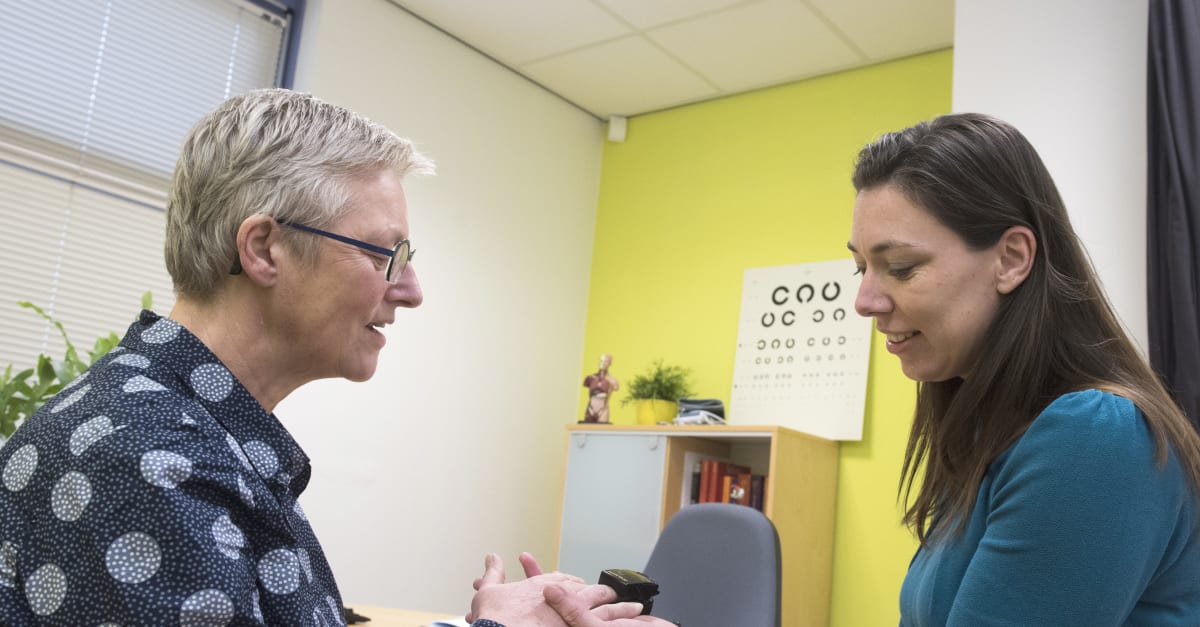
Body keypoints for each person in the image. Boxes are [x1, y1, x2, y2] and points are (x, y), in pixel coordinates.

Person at [0, 89, 666, 626]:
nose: (409, 290)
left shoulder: (175, 433)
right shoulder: (151, 464)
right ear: (263, 249)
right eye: (385, 254)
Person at [847, 113, 1200, 624]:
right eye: (861, 268)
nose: (865, 300)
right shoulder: (984, 436)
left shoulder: (1095, 438)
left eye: (900, 268)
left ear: (1011, 258)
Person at [582, 354, 619, 423]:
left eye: (606, 361)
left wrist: (608, 378)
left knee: (602, 430)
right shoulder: (590, 378)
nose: (603, 363)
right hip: (591, 408)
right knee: (587, 431)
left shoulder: (611, 380)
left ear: (610, 364)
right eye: (602, 360)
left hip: (603, 408)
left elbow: (616, 387)